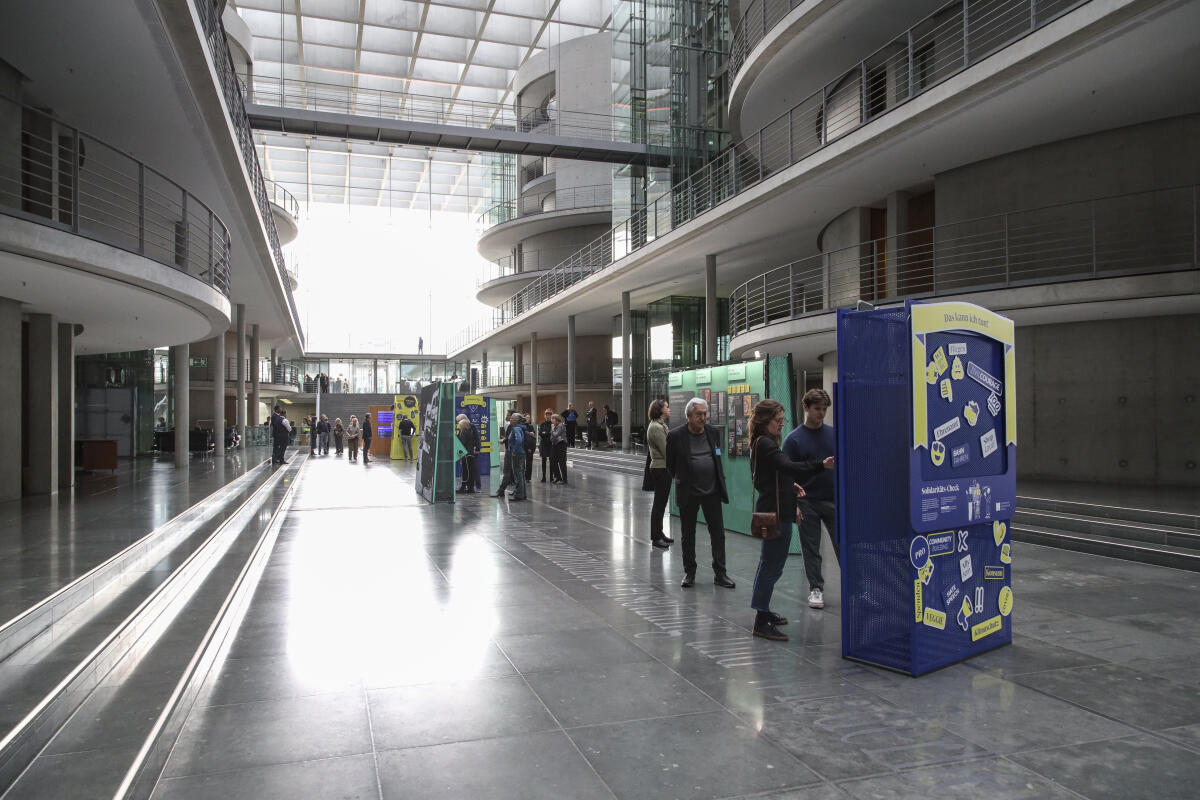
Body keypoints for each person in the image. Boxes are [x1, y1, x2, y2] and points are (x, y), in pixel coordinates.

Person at [749, 399, 834, 641]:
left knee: (770, 565)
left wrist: (791, 487)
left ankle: (763, 612)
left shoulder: (763, 442)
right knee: (771, 566)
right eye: (778, 421)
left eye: (783, 421)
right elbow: (787, 466)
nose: (781, 426)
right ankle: (760, 619)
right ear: (766, 421)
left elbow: (774, 475)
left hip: (776, 509)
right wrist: (820, 465)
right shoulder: (765, 443)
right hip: (775, 513)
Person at [665, 398, 734, 589]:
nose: (703, 418)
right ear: (689, 416)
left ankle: (720, 574)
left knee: (718, 533)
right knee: (688, 534)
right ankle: (689, 573)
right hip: (689, 492)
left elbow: (717, 455)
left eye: (705, 414)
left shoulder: (713, 432)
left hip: (712, 490)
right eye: (698, 414)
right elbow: (670, 465)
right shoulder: (675, 436)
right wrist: (682, 479)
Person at [783, 388, 839, 610]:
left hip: (834, 499)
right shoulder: (793, 440)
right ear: (806, 407)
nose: (822, 414)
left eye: (825, 409)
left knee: (842, 544)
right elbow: (787, 474)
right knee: (811, 548)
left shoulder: (834, 434)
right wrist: (795, 504)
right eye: (817, 409)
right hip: (807, 501)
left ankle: (855, 588)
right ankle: (816, 589)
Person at [646, 400, 674, 550]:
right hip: (660, 468)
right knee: (659, 504)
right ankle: (656, 537)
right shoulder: (656, 427)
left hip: (663, 468)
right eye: (667, 407)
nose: (669, 409)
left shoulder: (660, 425)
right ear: (660, 410)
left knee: (662, 504)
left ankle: (659, 532)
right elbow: (666, 450)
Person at [506, 412, 528, 501]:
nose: (510, 419)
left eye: (512, 418)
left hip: (518, 454)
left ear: (516, 420)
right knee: (521, 474)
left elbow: (519, 440)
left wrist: (514, 450)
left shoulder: (516, 429)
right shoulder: (520, 428)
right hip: (521, 453)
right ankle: (522, 493)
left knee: (518, 474)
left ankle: (519, 495)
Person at [493, 411, 516, 497]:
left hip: (511, 451)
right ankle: (519, 491)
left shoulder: (514, 427)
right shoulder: (514, 426)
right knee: (516, 473)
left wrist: (504, 440)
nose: (508, 418)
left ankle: (501, 490)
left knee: (507, 471)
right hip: (513, 451)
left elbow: (513, 439)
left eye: (510, 416)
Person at [457, 414, 479, 493]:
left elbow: (476, 439)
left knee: (467, 471)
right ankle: (469, 487)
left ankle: (468, 487)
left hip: (467, 453)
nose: (458, 424)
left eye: (459, 422)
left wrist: (477, 448)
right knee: (468, 470)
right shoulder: (464, 431)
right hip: (468, 453)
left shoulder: (466, 431)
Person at [549, 413, 568, 484]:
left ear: (556, 419)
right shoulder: (555, 427)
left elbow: (556, 434)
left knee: (561, 462)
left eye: (552, 418)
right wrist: (554, 434)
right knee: (553, 461)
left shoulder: (561, 426)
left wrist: (553, 430)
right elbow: (551, 438)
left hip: (561, 445)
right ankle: (558, 477)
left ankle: (564, 479)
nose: (551, 420)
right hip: (555, 445)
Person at [538, 409, 554, 482]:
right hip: (544, 444)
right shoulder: (542, 424)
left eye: (549, 415)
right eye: (546, 415)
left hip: (551, 444)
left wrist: (545, 433)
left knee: (552, 461)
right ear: (545, 416)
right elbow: (540, 433)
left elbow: (552, 433)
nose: (548, 417)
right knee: (543, 461)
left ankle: (551, 477)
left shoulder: (553, 424)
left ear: (551, 416)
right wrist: (547, 433)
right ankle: (543, 477)